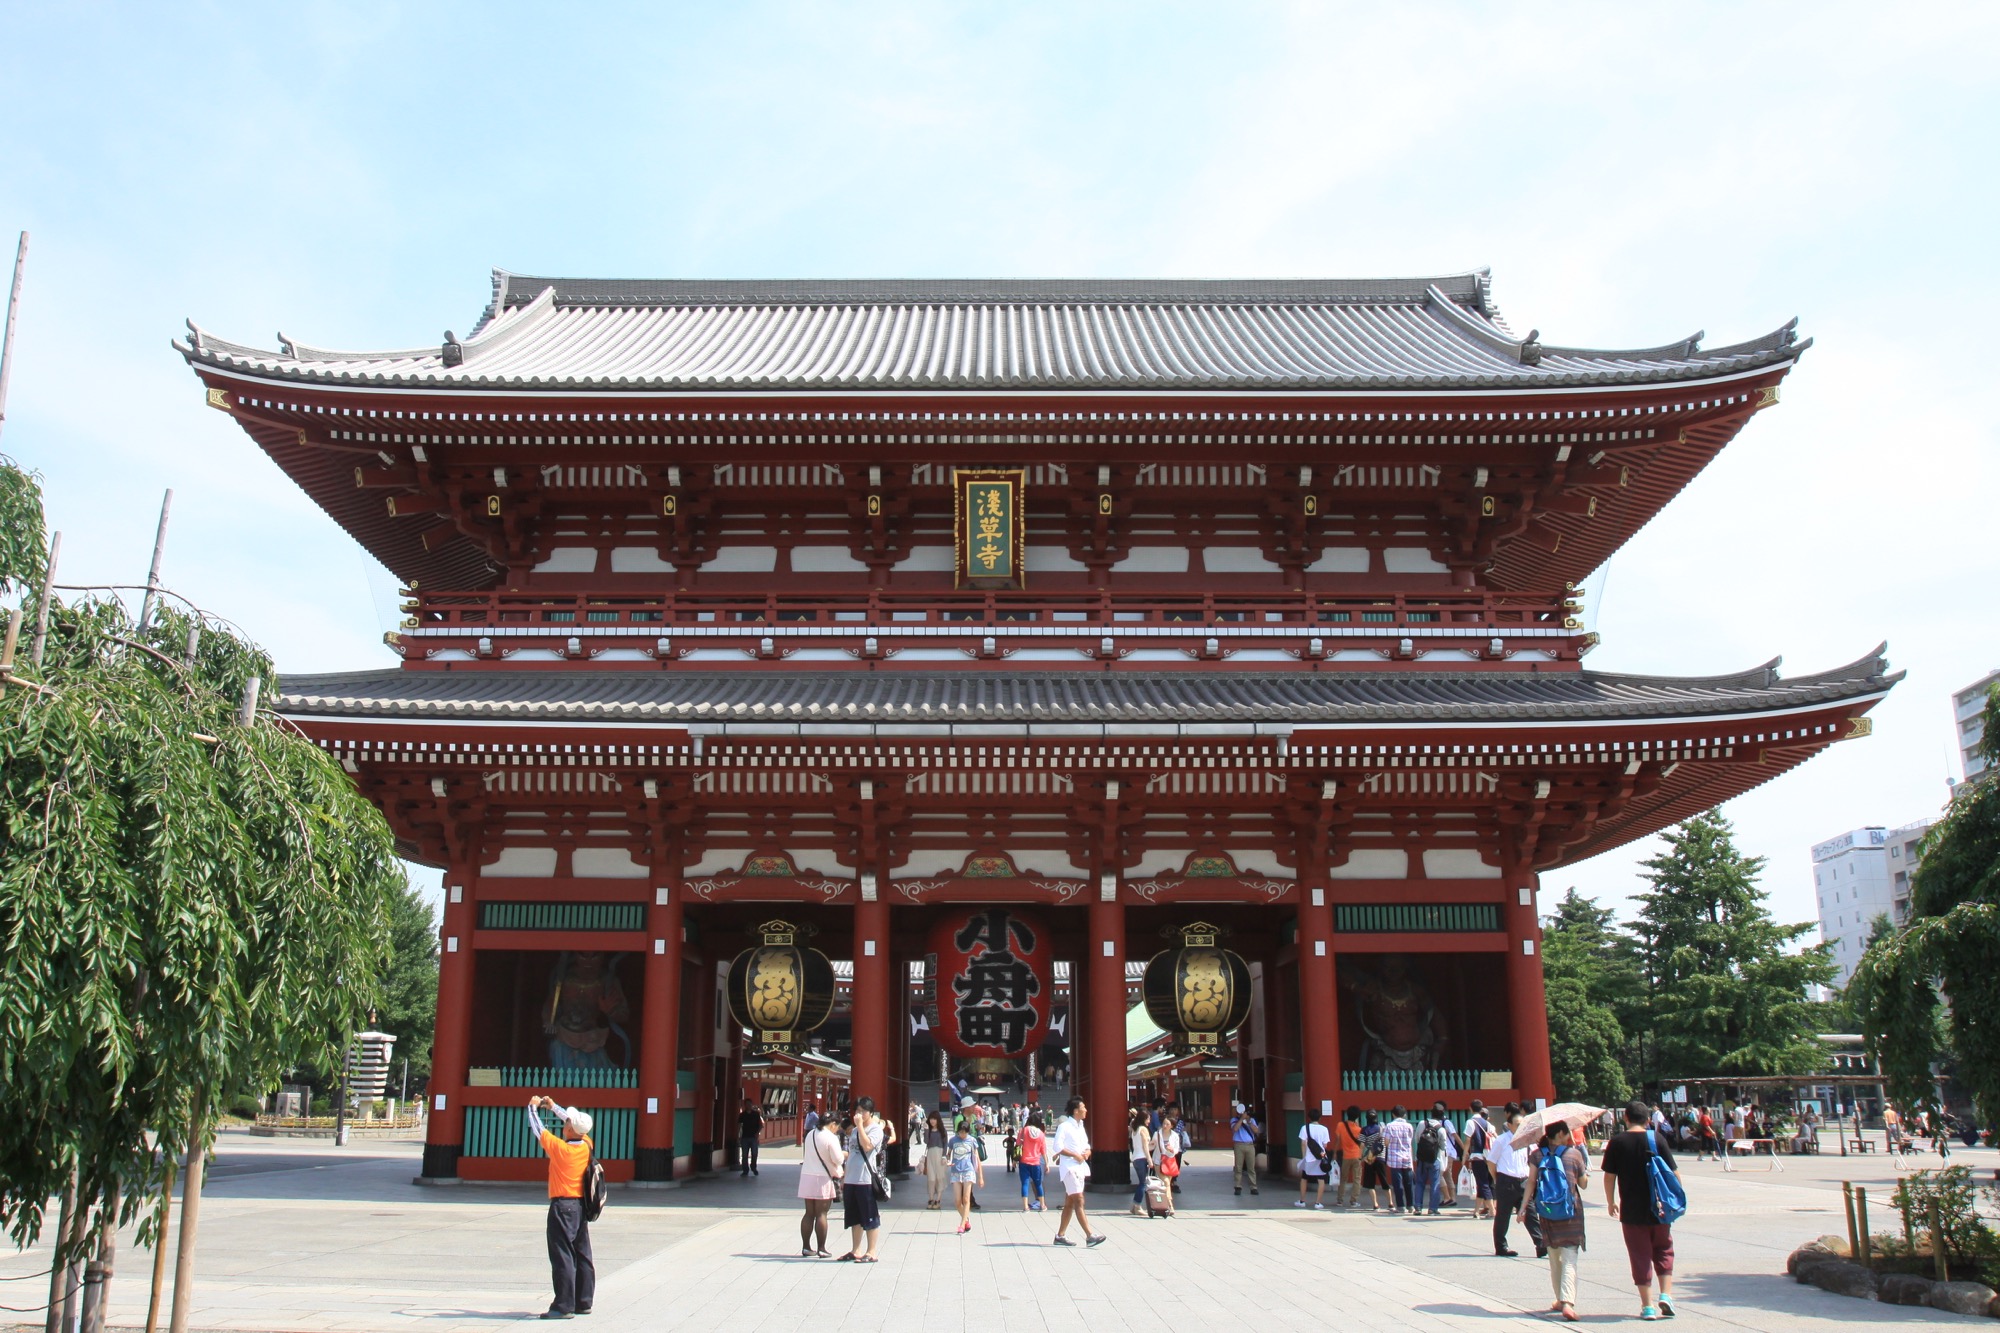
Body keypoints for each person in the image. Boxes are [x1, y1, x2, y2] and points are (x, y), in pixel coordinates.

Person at [1601, 1098, 1681, 1320]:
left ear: (1625, 1117)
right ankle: (1666, 1294)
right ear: (1648, 1119)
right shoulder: (1657, 1139)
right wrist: (1675, 1199)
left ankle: (1648, 1306)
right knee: (1664, 1249)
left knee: (1640, 1255)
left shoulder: (1617, 1142)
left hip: (1632, 1210)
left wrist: (1611, 1201)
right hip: (1660, 1208)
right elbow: (1674, 1173)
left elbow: (1609, 1176)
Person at [528, 1096, 595, 1320]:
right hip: (580, 1205)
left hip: (562, 1205)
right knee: (582, 1253)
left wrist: (533, 1106)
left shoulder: (560, 1149)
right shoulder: (586, 1145)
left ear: (569, 1129)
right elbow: (573, 1122)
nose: (566, 1123)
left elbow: (537, 1128)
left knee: (562, 1255)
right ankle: (583, 1301)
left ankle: (563, 1305)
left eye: (568, 1123)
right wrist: (553, 1106)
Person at [1521, 1120, 1588, 1322]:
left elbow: (1531, 1182)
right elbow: (1583, 1184)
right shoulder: (1573, 1154)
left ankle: (1559, 1299)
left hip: (1547, 1211)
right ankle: (1568, 1302)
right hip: (1570, 1212)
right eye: (1567, 1132)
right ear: (1560, 1133)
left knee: (1554, 1256)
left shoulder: (1537, 1155)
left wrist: (1523, 1207)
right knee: (1569, 1258)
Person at [1490, 1103, 1544, 1259]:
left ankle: (1540, 1244)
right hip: (1506, 1181)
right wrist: (1497, 1178)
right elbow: (1491, 1163)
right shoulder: (1501, 1140)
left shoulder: (1529, 1141)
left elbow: (1535, 1159)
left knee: (1531, 1213)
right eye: (1518, 1125)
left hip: (1524, 1181)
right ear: (1509, 1125)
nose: (1521, 1128)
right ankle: (1501, 1246)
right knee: (1503, 1216)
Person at [1052, 1096, 1106, 1246]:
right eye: (1083, 1107)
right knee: (1079, 1199)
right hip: (1070, 1167)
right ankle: (1089, 1235)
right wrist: (1074, 1154)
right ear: (1076, 1111)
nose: (1086, 1110)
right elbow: (1057, 1146)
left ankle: (1060, 1235)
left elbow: (1086, 1144)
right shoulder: (1065, 1126)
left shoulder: (1080, 1126)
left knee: (1069, 1202)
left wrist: (1087, 1152)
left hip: (1080, 1166)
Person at [838, 1097, 886, 1263]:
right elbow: (851, 1152)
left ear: (870, 1112)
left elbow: (867, 1147)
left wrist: (859, 1126)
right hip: (851, 1177)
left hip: (865, 1178)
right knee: (854, 1215)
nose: (859, 1114)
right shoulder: (856, 1131)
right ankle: (855, 1249)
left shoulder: (875, 1130)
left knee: (869, 1215)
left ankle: (871, 1251)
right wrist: (844, 1175)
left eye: (862, 1111)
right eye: (857, 1111)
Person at [798, 1104, 844, 1257]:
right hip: (822, 1178)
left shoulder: (810, 1134)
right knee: (822, 1214)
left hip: (807, 1176)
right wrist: (845, 1155)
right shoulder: (831, 1137)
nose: (837, 1129)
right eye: (837, 1126)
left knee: (809, 1213)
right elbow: (837, 1159)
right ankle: (822, 1248)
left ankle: (805, 1247)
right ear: (832, 1124)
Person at [1414, 1100, 1455, 1215]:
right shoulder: (1441, 1129)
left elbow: (1417, 1139)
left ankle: (1417, 1207)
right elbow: (1443, 1146)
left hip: (1422, 1159)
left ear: (1431, 1113)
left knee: (1420, 1183)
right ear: (1442, 1115)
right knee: (1435, 1183)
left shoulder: (1422, 1124)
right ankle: (1433, 1208)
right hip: (1435, 1159)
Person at [948, 1117, 985, 1235]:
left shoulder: (972, 1141)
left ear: (968, 1132)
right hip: (955, 1171)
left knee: (966, 1199)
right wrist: (946, 1160)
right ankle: (966, 1219)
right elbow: (948, 1154)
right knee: (957, 1201)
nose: (962, 1134)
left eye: (964, 1132)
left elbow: (977, 1158)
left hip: (968, 1171)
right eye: (960, 1132)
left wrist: (980, 1176)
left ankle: (962, 1224)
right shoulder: (953, 1140)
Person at [1464, 1100, 1496, 1220]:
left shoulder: (1471, 1122)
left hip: (1477, 1156)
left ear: (1471, 1108)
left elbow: (1468, 1140)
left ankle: (1492, 1211)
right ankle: (1476, 1211)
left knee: (1482, 1184)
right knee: (1484, 1183)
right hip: (1488, 1157)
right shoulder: (1488, 1124)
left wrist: (1464, 1154)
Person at [1295, 1106, 1332, 1209]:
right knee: (1321, 1180)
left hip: (1309, 1158)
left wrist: (1304, 1156)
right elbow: (1325, 1145)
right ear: (1320, 1118)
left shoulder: (1304, 1128)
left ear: (1309, 1118)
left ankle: (1302, 1201)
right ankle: (1318, 1203)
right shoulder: (1324, 1129)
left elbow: (1303, 1143)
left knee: (1304, 1179)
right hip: (1321, 1158)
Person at [1381, 1105, 1416, 1214]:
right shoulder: (1409, 1126)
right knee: (1409, 1184)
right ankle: (1411, 1205)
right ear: (1404, 1114)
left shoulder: (1389, 1126)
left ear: (1393, 1114)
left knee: (1398, 1184)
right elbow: (1410, 1142)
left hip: (1394, 1158)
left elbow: (1386, 1143)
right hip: (1407, 1158)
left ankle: (1400, 1206)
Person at [1334, 1106, 1365, 1209]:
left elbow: (1337, 1140)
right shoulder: (1359, 1129)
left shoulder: (1340, 1125)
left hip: (1346, 1156)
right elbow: (1361, 1144)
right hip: (1357, 1156)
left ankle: (1340, 1200)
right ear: (1357, 1117)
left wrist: (1334, 1153)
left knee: (1343, 1179)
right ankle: (1353, 1201)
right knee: (1357, 1179)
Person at [1228, 1101, 1261, 1196]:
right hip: (1239, 1145)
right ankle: (1238, 1186)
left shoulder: (1252, 1120)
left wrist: (1248, 1121)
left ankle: (1253, 1187)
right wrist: (1241, 1120)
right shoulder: (1234, 1120)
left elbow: (1256, 1131)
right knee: (1238, 1167)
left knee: (1251, 1168)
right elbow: (1235, 1129)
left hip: (1250, 1145)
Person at [1127, 1107, 1155, 1216]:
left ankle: (1134, 1206)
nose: (1149, 1121)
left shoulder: (1135, 1129)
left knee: (1141, 1183)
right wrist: (1150, 1159)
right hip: (1142, 1158)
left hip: (1135, 1158)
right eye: (1148, 1119)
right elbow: (1145, 1147)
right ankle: (1137, 1206)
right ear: (1144, 1119)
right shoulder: (1143, 1129)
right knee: (1143, 1184)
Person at [1018, 1110, 1048, 1211]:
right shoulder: (1041, 1134)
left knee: (1025, 1183)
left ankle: (1025, 1206)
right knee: (1038, 1183)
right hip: (1036, 1162)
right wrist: (1047, 1164)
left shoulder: (1023, 1131)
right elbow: (1043, 1150)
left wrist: (1014, 1161)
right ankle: (1042, 1205)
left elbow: (1018, 1145)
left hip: (1024, 1161)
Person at [1360, 1112, 1390, 1211]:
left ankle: (1375, 1204)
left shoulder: (1364, 1130)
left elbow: (1362, 1145)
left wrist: (1361, 1157)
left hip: (1370, 1159)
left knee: (1370, 1183)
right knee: (1384, 1181)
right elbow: (1386, 1143)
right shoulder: (1382, 1128)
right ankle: (1391, 1203)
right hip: (1381, 1158)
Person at [1156, 1111, 1184, 1217]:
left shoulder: (1175, 1136)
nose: (1164, 1126)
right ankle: (1170, 1205)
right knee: (1167, 1183)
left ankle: (1165, 1203)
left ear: (1172, 1126)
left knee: (1167, 1184)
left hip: (1170, 1162)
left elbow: (1177, 1149)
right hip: (1159, 1161)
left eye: (1167, 1124)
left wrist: (1172, 1150)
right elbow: (1152, 1145)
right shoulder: (1157, 1134)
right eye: (1163, 1123)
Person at [920, 1111, 947, 1209]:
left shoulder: (942, 1130)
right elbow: (926, 1142)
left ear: (938, 1120)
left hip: (940, 1155)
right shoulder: (929, 1130)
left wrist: (944, 1156)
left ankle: (938, 1199)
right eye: (931, 1119)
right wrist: (926, 1130)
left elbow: (945, 1144)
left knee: (940, 1178)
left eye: (934, 1119)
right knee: (931, 1179)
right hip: (930, 1154)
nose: (932, 1121)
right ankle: (931, 1198)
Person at [738, 1097, 764, 1177]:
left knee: (754, 1153)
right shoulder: (742, 1115)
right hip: (745, 1136)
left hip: (753, 1137)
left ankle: (753, 1168)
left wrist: (758, 1133)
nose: (748, 1106)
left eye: (750, 1104)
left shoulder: (756, 1114)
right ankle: (745, 1170)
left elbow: (761, 1125)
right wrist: (738, 1135)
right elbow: (739, 1125)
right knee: (744, 1155)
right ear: (745, 1105)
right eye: (747, 1104)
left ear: (752, 1105)